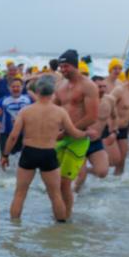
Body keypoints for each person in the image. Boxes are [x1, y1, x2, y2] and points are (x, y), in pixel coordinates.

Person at [3, 75, 86, 222]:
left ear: (38, 91)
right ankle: (61, 228)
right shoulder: (60, 112)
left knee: (20, 193)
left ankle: (13, 228)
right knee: (55, 194)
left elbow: (14, 136)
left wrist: (5, 155)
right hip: (48, 153)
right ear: (53, 92)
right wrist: (87, 133)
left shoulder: (26, 111)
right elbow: (73, 133)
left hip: (29, 152)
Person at [52, 50, 99, 218]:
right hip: (60, 137)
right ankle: (58, 213)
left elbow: (92, 116)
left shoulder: (88, 86)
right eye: (61, 66)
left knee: (65, 183)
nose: (63, 69)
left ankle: (66, 218)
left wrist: (66, 132)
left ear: (75, 65)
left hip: (77, 140)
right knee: (55, 182)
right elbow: (52, 109)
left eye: (66, 66)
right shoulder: (60, 86)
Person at [0, 75, 32, 159]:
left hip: (23, 134)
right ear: (9, 88)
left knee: (21, 158)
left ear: (22, 87)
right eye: (13, 87)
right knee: (3, 157)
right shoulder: (3, 100)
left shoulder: (28, 99)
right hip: (6, 133)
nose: (15, 89)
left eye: (18, 86)